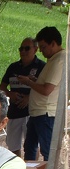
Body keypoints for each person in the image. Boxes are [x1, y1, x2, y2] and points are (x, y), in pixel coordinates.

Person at [24, 26, 65, 161]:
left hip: (45, 113)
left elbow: (47, 90)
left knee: (47, 151)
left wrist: (29, 83)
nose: (41, 51)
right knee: (29, 147)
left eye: (43, 47)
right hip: (38, 112)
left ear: (53, 43)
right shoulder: (54, 59)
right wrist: (35, 81)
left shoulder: (59, 59)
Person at [0, 38, 45, 156]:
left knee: (33, 146)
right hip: (14, 112)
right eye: (21, 48)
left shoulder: (42, 67)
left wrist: (29, 98)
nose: (23, 51)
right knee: (13, 146)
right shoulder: (13, 67)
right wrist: (10, 94)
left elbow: (46, 89)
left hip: (33, 112)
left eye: (27, 48)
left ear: (35, 49)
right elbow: (2, 87)